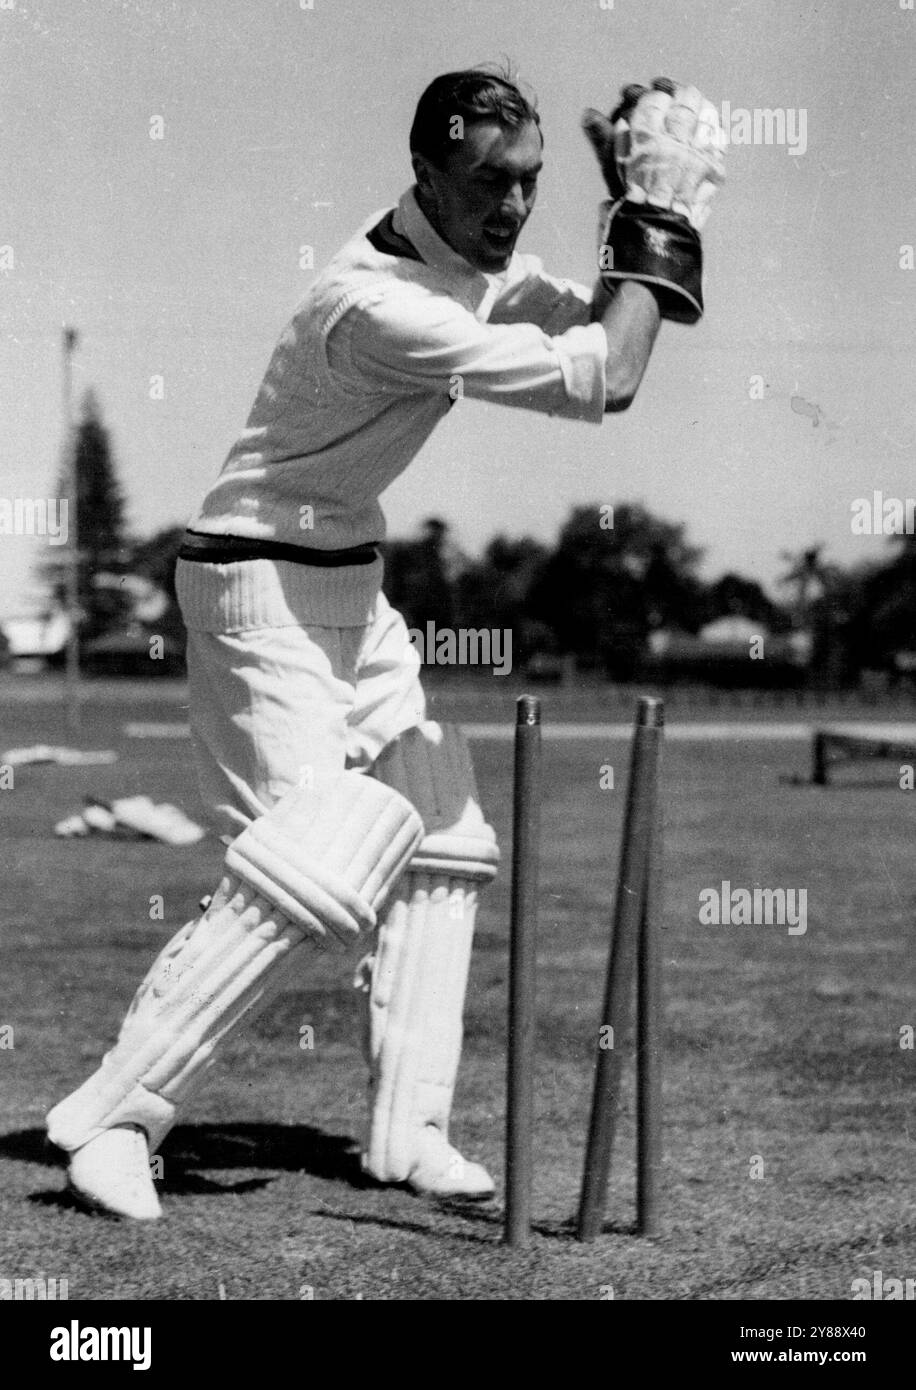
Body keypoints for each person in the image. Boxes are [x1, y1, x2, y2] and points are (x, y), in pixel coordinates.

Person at [46, 65, 724, 1218]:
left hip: (348, 585)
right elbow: (607, 376)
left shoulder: (466, 268)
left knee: (444, 827)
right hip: (256, 587)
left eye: (528, 183)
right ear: (424, 174)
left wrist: (637, 220)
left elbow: (601, 314)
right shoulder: (376, 304)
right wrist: (660, 218)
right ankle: (114, 1115)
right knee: (326, 867)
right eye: (485, 184)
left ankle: (407, 1130)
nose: (510, 210)